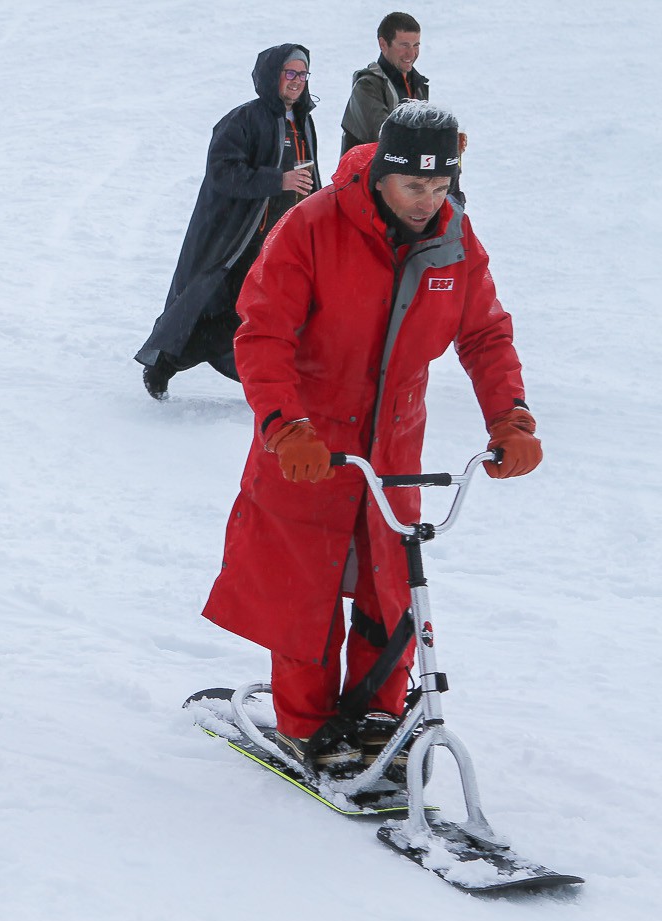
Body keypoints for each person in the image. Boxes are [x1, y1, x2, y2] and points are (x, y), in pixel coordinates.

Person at [201, 101, 542, 771]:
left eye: (441, 187)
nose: (428, 201)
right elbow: (263, 333)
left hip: (393, 448)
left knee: (393, 584)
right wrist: (283, 425)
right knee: (305, 590)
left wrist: (511, 418)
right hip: (307, 445)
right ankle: (305, 724)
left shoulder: (453, 239)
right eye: (415, 186)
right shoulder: (313, 226)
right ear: (383, 173)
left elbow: (484, 332)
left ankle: (378, 713)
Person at [136, 44, 321, 399]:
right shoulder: (243, 119)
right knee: (228, 309)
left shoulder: (303, 122)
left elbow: (311, 177)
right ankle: (165, 363)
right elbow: (222, 172)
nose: (297, 81)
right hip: (238, 239)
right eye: (290, 73)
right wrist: (277, 179)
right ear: (272, 76)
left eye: (302, 74)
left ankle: (183, 363)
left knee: (264, 312)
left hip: (281, 241)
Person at [340, 12, 429, 155]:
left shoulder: (418, 85)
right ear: (383, 44)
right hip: (370, 176)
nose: (411, 54)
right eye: (404, 45)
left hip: (405, 175)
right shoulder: (367, 85)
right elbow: (386, 137)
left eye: (416, 45)